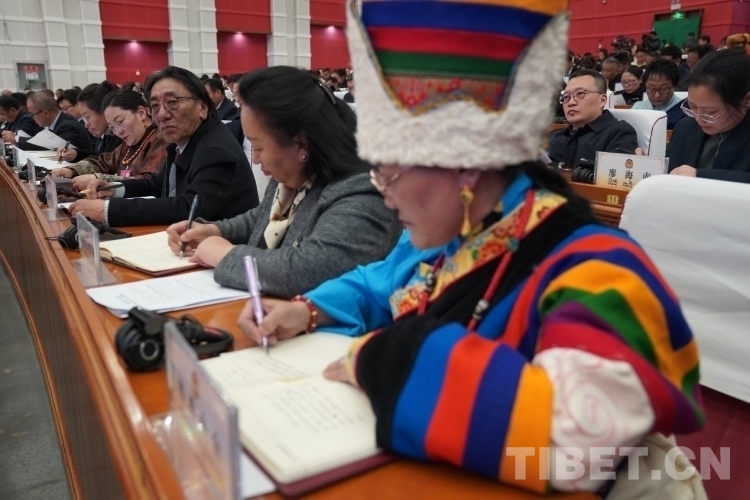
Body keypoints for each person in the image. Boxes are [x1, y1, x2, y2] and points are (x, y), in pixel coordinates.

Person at [236, 1, 705, 496]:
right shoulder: (460, 228)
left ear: (465, 169)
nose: (384, 196)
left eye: (390, 174)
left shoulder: (601, 269)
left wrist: (384, 357)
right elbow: (380, 283)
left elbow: (576, 441)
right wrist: (306, 310)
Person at [166, 66, 401, 296]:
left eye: (258, 147)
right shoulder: (293, 173)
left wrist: (224, 254)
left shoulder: (363, 192)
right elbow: (260, 219)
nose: (255, 159)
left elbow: (305, 271)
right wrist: (214, 230)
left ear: (302, 143)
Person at [69, 66, 259, 226]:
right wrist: (113, 189)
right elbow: (155, 184)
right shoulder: (183, 142)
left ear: (202, 107)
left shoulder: (215, 150)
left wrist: (108, 210)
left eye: (172, 102)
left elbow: (188, 207)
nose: (162, 114)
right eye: (155, 105)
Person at [52, 83, 168, 190]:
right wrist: (71, 170)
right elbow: (104, 162)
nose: (118, 132)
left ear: (141, 113)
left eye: (120, 122)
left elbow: (150, 182)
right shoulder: (129, 144)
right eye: (112, 127)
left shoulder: (160, 140)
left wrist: (99, 179)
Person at [667, 48, 750, 182]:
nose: (699, 118)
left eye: (711, 112)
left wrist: (699, 175)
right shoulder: (685, 127)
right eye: (692, 107)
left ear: (746, 100)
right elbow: (667, 172)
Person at [547, 70, 638, 167]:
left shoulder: (619, 133)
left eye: (580, 94)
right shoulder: (555, 136)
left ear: (602, 100)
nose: (571, 102)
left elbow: (613, 173)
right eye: (566, 97)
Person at [20, 91, 92, 160]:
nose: (32, 118)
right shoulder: (58, 122)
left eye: (32, 114)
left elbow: (50, 148)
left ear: (45, 113)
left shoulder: (67, 126)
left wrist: (18, 141)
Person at [632, 60, 686, 129]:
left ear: (674, 86)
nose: (657, 95)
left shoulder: (683, 111)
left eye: (663, 89)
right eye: (651, 88)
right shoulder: (637, 108)